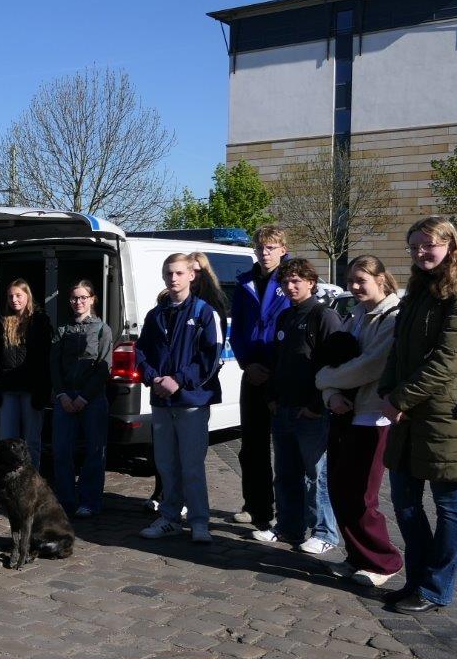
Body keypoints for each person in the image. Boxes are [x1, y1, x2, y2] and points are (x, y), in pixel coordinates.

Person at [379, 217, 457, 614]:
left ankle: (436, 588)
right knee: (404, 502)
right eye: (414, 246)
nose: (420, 253)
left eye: (428, 245)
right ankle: (417, 578)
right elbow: (398, 349)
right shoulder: (418, 291)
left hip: (445, 416)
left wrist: (400, 400)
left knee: (449, 504)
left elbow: (448, 361)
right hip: (407, 414)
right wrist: (388, 391)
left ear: (450, 245)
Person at [314, 255, 403, 587]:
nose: (353, 287)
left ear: (381, 279)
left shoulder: (393, 319)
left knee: (362, 495)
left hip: (373, 417)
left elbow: (369, 366)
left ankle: (384, 561)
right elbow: (334, 361)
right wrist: (330, 393)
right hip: (345, 413)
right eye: (350, 280)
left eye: (360, 280)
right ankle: (358, 556)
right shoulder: (356, 316)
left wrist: (324, 381)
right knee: (339, 490)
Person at [253, 258, 342, 553]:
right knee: (286, 473)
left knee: (317, 476)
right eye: (286, 282)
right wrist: (272, 398)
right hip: (284, 409)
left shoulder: (323, 315)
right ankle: (289, 528)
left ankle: (325, 533)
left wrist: (317, 405)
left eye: (296, 282)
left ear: (311, 283)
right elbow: (278, 362)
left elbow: (335, 364)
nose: (290, 287)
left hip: (311, 411)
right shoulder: (285, 317)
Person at [137, 253, 222, 544]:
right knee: (165, 464)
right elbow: (141, 352)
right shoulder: (155, 315)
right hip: (161, 401)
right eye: (168, 274)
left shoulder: (204, 313)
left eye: (178, 273)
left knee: (192, 465)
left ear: (191, 276)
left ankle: (199, 521)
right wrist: (154, 378)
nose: (172, 278)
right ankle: (170, 518)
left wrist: (178, 380)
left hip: (191, 401)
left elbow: (210, 359)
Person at [228, 226, 291, 530]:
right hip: (251, 373)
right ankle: (256, 505)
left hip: (281, 376)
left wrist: (278, 369)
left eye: (271, 248)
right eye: (260, 248)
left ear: (283, 249)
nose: (264, 254)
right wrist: (247, 363)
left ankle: (287, 509)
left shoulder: (292, 280)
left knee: (285, 446)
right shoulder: (245, 283)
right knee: (252, 446)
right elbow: (237, 330)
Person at [49, 280, 113, 516]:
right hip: (65, 398)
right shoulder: (62, 329)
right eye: (75, 298)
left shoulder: (102, 329)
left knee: (94, 452)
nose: (78, 302)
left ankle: (90, 501)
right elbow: (54, 366)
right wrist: (63, 394)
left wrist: (84, 397)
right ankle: (65, 500)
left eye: (83, 297)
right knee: (62, 451)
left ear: (92, 299)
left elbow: (104, 367)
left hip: (92, 399)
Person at [0, 279, 51, 470]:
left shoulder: (40, 321)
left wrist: (44, 389)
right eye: (11, 296)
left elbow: (45, 357)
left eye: (18, 295)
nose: (14, 300)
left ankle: (32, 481)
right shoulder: (2, 322)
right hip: (7, 388)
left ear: (27, 296)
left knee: (31, 441)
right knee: (7, 441)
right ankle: (9, 480)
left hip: (31, 388)